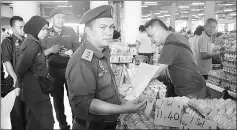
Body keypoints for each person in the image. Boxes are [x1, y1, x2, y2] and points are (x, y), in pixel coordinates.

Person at [65, 5, 146, 130]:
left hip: (107, 122)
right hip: (92, 126)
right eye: (102, 27)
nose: (109, 32)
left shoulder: (103, 51)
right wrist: (123, 108)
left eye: (111, 27)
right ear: (88, 31)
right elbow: (84, 103)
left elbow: (100, 86)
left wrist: (117, 93)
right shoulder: (83, 61)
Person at [145, 18, 207, 98]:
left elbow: (156, 72)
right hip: (195, 84)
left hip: (190, 90)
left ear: (159, 30)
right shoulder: (178, 37)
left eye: (151, 35)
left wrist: (139, 84)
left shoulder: (171, 44)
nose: (151, 40)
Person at [43, 8, 80, 130]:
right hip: (53, 71)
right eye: (59, 17)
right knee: (57, 99)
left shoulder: (70, 31)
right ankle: (63, 124)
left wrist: (71, 52)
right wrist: (51, 50)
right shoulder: (46, 33)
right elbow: (40, 53)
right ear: (52, 19)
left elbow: (78, 48)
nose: (62, 20)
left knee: (73, 96)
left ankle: (76, 121)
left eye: (63, 17)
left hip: (70, 69)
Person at [16, 15, 55, 129]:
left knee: (34, 121)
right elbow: (20, 68)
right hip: (35, 91)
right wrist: (18, 85)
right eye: (43, 29)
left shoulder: (36, 43)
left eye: (46, 29)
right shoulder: (31, 45)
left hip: (37, 89)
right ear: (35, 29)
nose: (46, 32)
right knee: (47, 122)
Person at [1, 16, 27, 130]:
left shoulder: (27, 41)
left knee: (28, 114)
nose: (23, 29)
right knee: (17, 114)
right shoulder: (8, 42)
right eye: (20, 27)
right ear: (13, 28)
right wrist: (15, 79)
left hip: (28, 82)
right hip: (14, 83)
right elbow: (7, 62)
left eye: (24, 26)